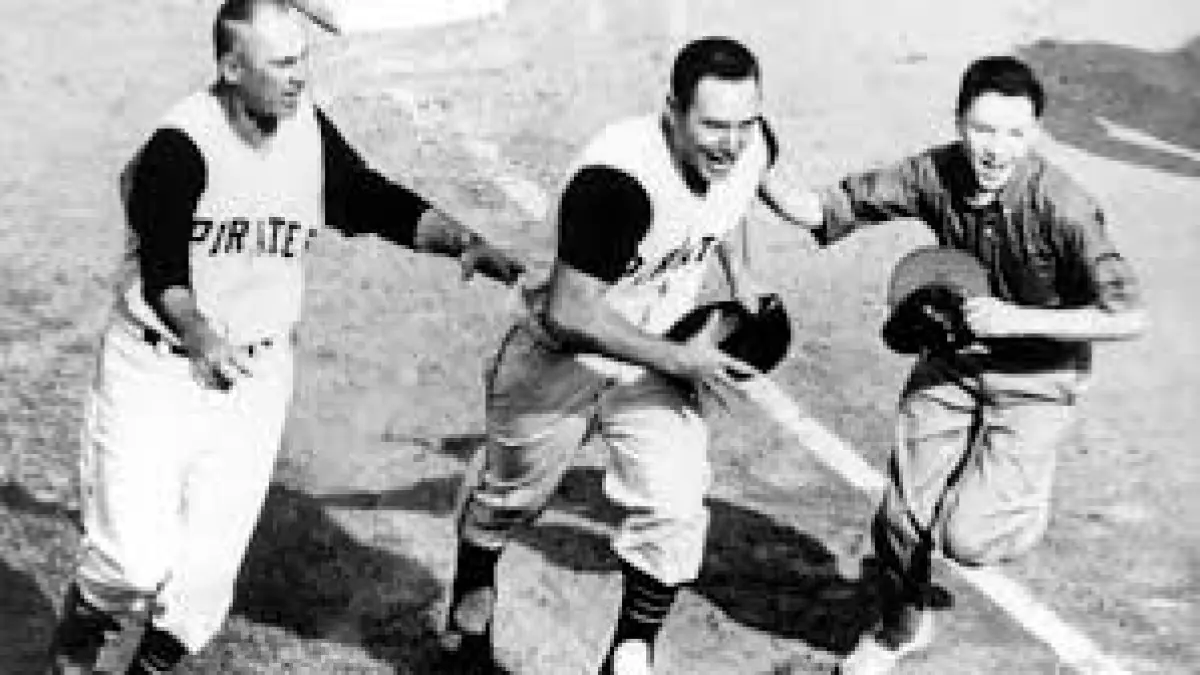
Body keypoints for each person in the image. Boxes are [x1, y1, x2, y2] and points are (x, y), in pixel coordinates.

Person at [47, 1, 523, 673]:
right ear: (231, 68)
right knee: (129, 561)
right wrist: (201, 334)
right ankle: (79, 636)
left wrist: (462, 241)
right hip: (158, 369)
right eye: (281, 64)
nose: (299, 76)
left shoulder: (305, 129)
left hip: (255, 377)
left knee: (202, 586)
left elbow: (366, 197)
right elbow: (163, 275)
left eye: (303, 59)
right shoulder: (179, 147)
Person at [779, 56, 1147, 674]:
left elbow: (1129, 317)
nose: (996, 149)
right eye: (983, 130)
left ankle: (1020, 492)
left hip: (1039, 379)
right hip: (954, 362)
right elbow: (826, 208)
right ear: (958, 123)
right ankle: (900, 627)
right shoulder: (935, 172)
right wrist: (753, 167)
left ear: (1034, 134)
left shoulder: (1065, 206)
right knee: (901, 517)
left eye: (1014, 133)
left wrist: (1016, 319)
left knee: (969, 539)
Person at [442, 36, 795, 675]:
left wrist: (741, 275)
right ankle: (471, 593)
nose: (732, 143)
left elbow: (733, 197)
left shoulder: (748, 146)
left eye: (745, 123)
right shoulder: (616, 183)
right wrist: (681, 360)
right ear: (672, 111)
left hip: (655, 352)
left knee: (676, 507)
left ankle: (629, 655)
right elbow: (571, 313)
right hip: (559, 354)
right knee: (510, 499)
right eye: (714, 125)